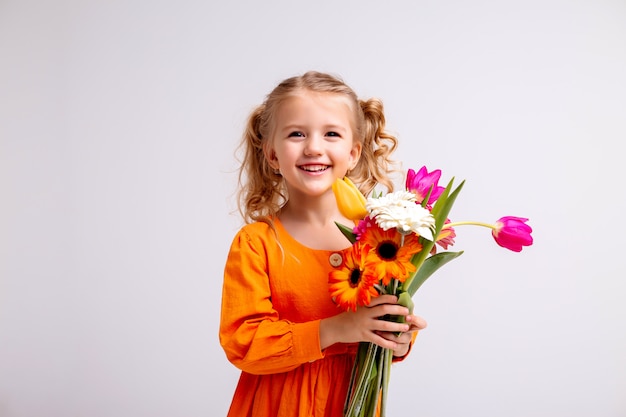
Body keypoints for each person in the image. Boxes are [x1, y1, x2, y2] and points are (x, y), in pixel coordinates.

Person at [219, 71, 428, 417]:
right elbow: (243, 342)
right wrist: (334, 330)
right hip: (275, 405)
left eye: (331, 133)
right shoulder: (257, 243)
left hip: (351, 400)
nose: (313, 147)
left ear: (353, 153)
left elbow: (384, 320)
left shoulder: (379, 239)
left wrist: (398, 339)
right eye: (296, 134)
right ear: (272, 155)